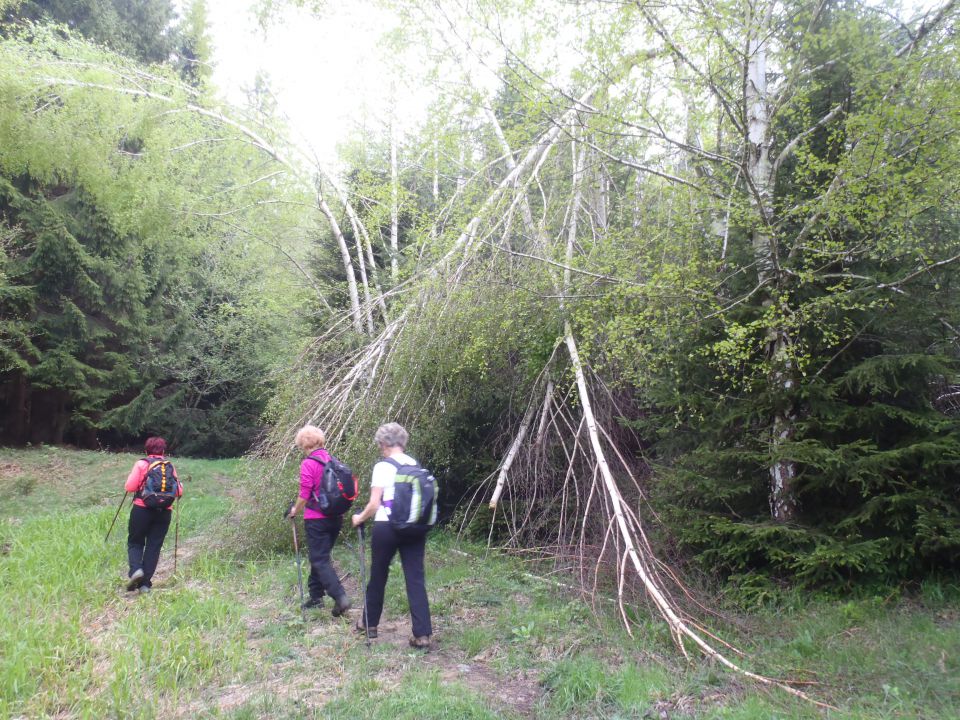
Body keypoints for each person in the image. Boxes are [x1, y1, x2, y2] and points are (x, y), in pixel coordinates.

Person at [352, 422, 432, 649]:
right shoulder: (414, 464)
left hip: (387, 527)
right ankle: (422, 634)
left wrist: (359, 518)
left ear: (384, 443)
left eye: (380, 444)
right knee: (415, 578)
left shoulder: (383, 467)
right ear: (402, 441)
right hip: (414, 527)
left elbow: (374, 504)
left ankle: (369, 624)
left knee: (378, 575)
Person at [287, 424, 351, 617]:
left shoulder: (308, 463)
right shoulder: (332, 460)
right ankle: (315, 597)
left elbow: (305, 494)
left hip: (317, 520)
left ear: (303, 444)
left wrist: (294, 511)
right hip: (336, 517)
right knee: (320, 556)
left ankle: (340, 596)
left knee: (319, 558)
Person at [124, 436, 182, 593]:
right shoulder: (169, 466)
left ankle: (136, 570)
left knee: (135, 542)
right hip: (164, 512)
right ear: (163, 451)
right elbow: (179, 491)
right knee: (154, 546)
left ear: (146, 450)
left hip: (142, 510)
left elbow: (129, 487)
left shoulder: (142, 464)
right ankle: (144, 585)